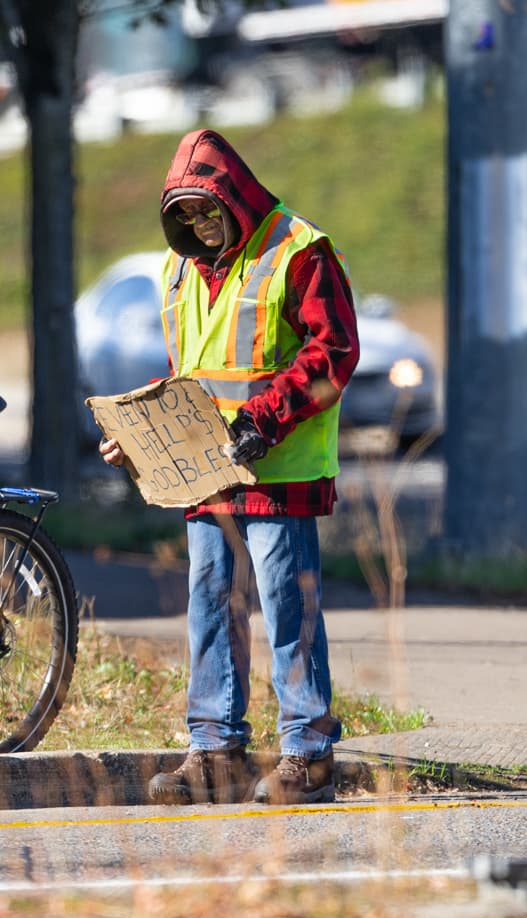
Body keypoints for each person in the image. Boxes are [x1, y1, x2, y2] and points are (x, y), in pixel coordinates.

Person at [100, 129, 359, 806]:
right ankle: (215, 751)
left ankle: (309, 753)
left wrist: (261, 422)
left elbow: (333, 354)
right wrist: (141, 438)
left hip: (281, 466)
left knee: (285, 603)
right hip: (206, 472)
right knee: (210, 601)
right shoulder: (179, 269)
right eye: (186, 218)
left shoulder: (300, 251)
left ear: (235, 197)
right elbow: (190, 376)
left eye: (208, 212)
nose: (200, 227)